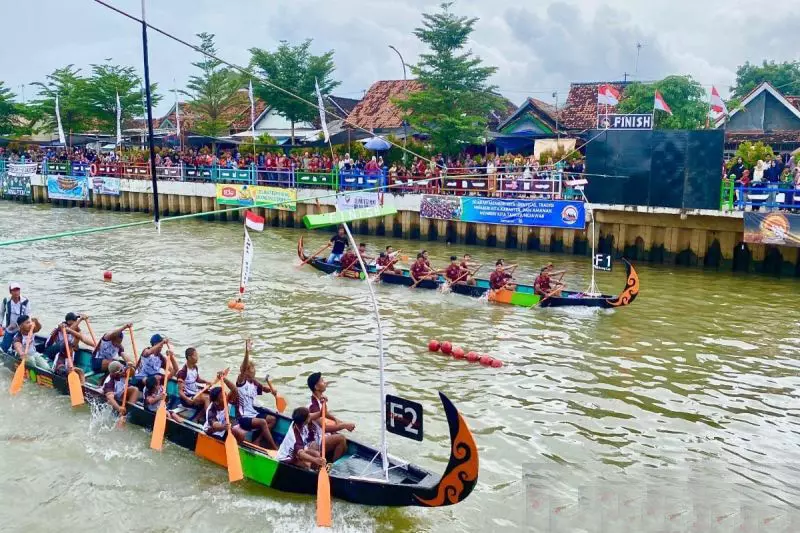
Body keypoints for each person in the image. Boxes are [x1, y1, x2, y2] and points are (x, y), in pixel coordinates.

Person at [233, 340, 278, 449]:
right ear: (247, 371)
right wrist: (247, 352)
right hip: (243, 418)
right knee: (262, 422)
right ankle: (274, 448)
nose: (255, 370)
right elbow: (243, 369)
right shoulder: (241, 382)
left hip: (252, 414)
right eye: (253, 368)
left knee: (272, 419)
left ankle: (257, 441)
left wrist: (272, 391)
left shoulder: (254, 383)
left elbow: (265, 389)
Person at [306, 372, 354, 463]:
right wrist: (344, 425)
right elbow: (325, 428)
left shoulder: (321, 399)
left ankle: (331, 461)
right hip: (314, 442)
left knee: (343, 442)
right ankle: (331, 468)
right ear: (316, 387)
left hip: (320, 436)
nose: (325, 382)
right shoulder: (313, 406)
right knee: (341, 438)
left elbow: (324, 413)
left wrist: (335, 419)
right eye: (322, 381)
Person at [176, 347, 211, 422]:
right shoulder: (182, 373)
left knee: (211, 395)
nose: (197, 357)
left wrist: (206, 382)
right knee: (207, 398)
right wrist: (187, 399)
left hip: (195, 394)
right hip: (187, 398)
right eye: (195, 355)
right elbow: (180, 392)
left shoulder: (195, 367)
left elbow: (197, 379)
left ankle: (197, 418)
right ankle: (209, 421)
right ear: (189, 357)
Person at [2, 282, 31, 353]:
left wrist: (18, 325)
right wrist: (2, 325)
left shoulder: (25, 302)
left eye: (18, 290)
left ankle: (17, 352)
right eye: (14, 290)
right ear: (10, 292)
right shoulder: (6, 301)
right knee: (4, 348)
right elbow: (1, 313)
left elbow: (28, 317)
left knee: (17, 347)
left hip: (20, 329)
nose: (16, 292)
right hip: (9, 328)